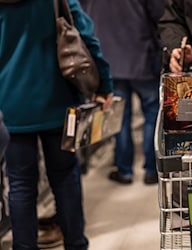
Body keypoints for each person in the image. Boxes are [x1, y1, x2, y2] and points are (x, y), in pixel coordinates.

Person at [0, 0, 113, 249]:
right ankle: (76, 243)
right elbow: (85, 35)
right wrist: (104, 85)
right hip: (58, 103)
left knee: (20, 184)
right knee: (65, 177)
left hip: (11, 105)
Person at [80, 0, 164, 185]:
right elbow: (159, 15)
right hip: (142, 56)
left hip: (109, 59)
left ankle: (124, 170)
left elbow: (81, 16)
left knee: (118, 118)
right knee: (152, 114)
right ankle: (153, 170)